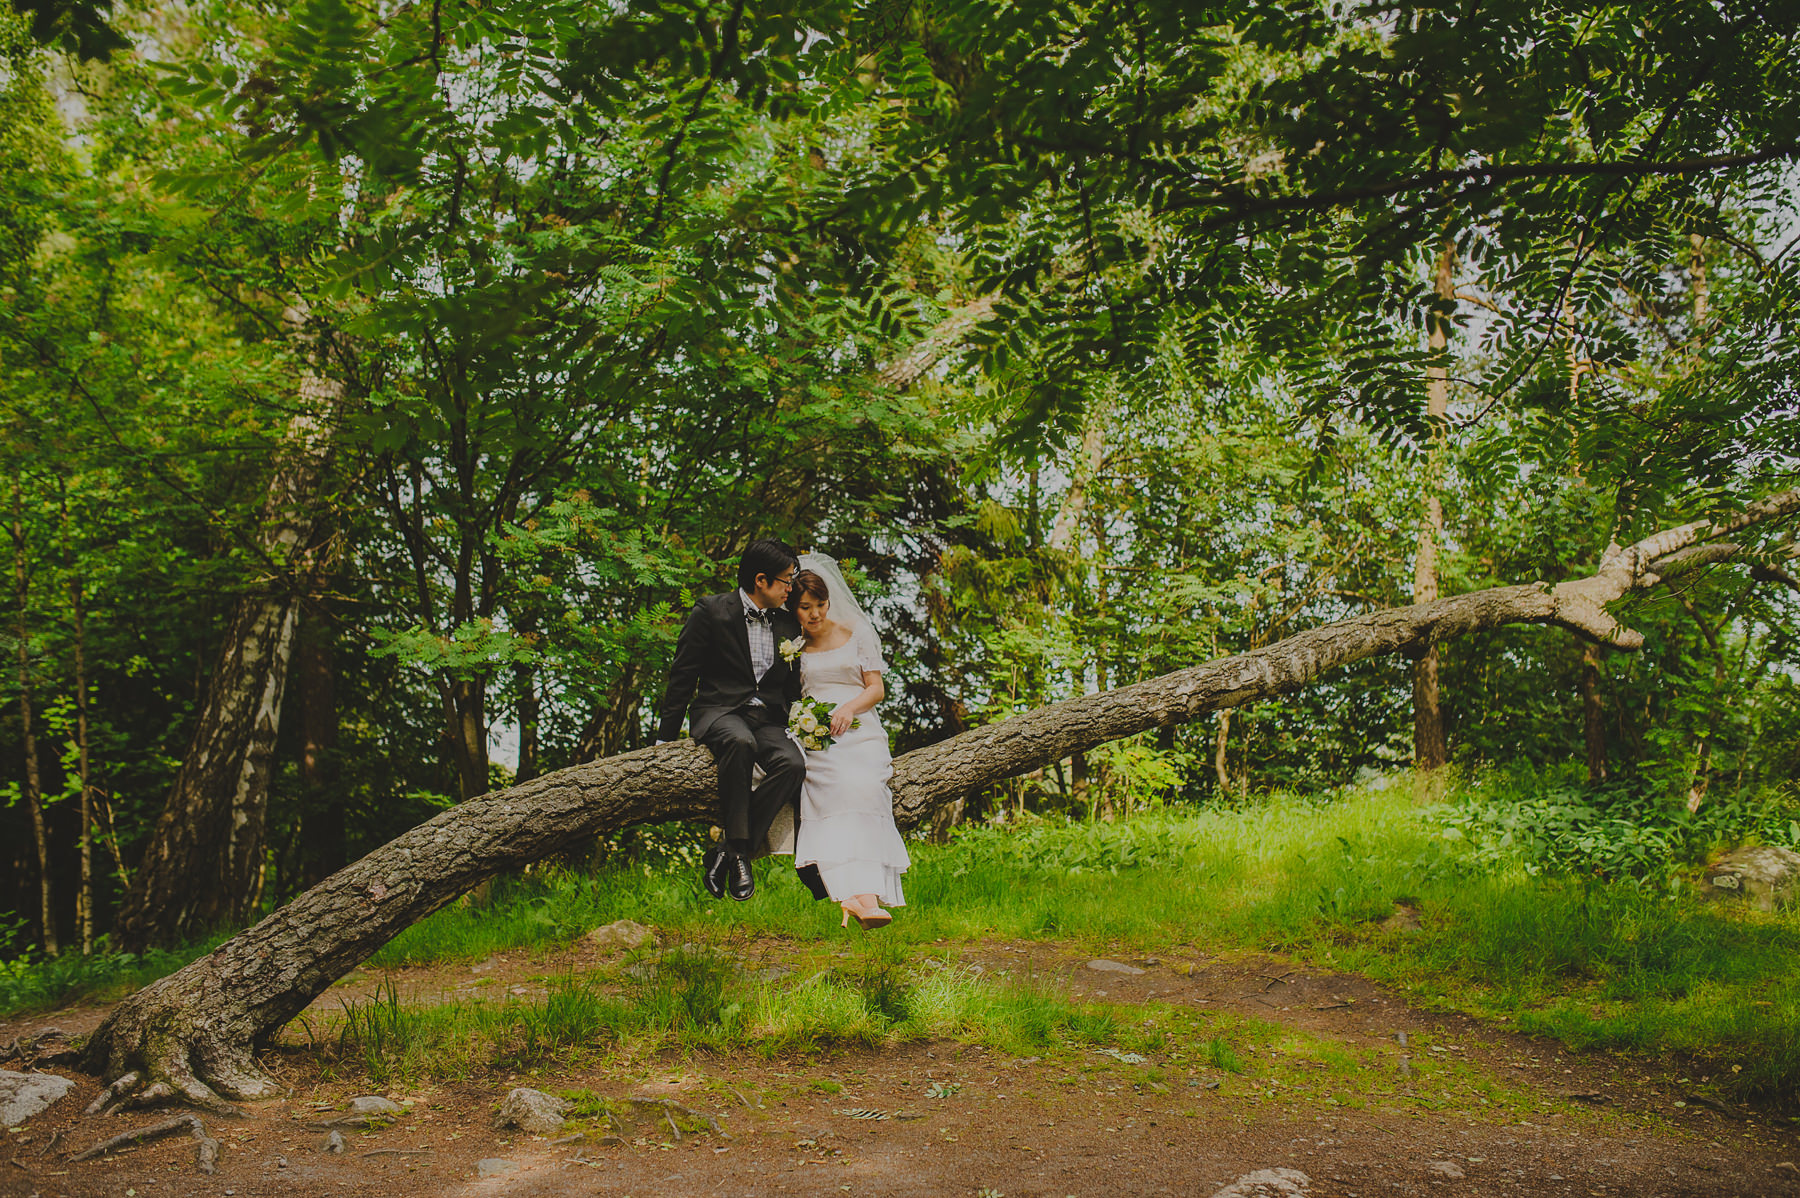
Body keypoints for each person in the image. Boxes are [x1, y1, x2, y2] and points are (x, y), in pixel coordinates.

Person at [656, 539, 808, 902]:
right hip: (720, 712)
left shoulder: (788, 623)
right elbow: (682, 675)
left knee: (793, 764)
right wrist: (664, 738)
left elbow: (789, 687)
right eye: (787, 581)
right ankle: (741, 854)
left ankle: (731, 849)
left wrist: (802, 719)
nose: (791, 588)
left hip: (769, 718)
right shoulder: (710, 611)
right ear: (761, 580)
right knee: (741, 743)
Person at [787, 553, 911, 929]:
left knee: (863, 787)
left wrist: (848, 710)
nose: (815, 614)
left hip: (859, 728)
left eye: (820, 605)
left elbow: (876, 689)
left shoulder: (855, 630)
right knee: (832, 789)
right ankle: (849, 894)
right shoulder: (793, 647)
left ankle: (867, 896)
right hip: (817, 736)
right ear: (794, 608)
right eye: (805, 607)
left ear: (829, 602)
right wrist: (806, 723)